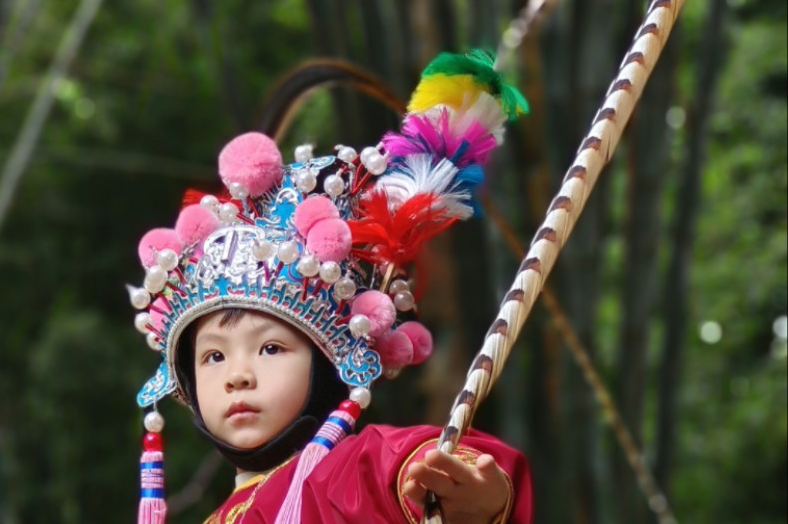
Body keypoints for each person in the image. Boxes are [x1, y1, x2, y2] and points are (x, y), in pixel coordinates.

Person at [128, 49, 533, 524]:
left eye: (272, 348)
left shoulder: (350, 474)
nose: (238, 374)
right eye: (214, 356)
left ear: (329, 362)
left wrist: (480, 498)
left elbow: (417, 460)